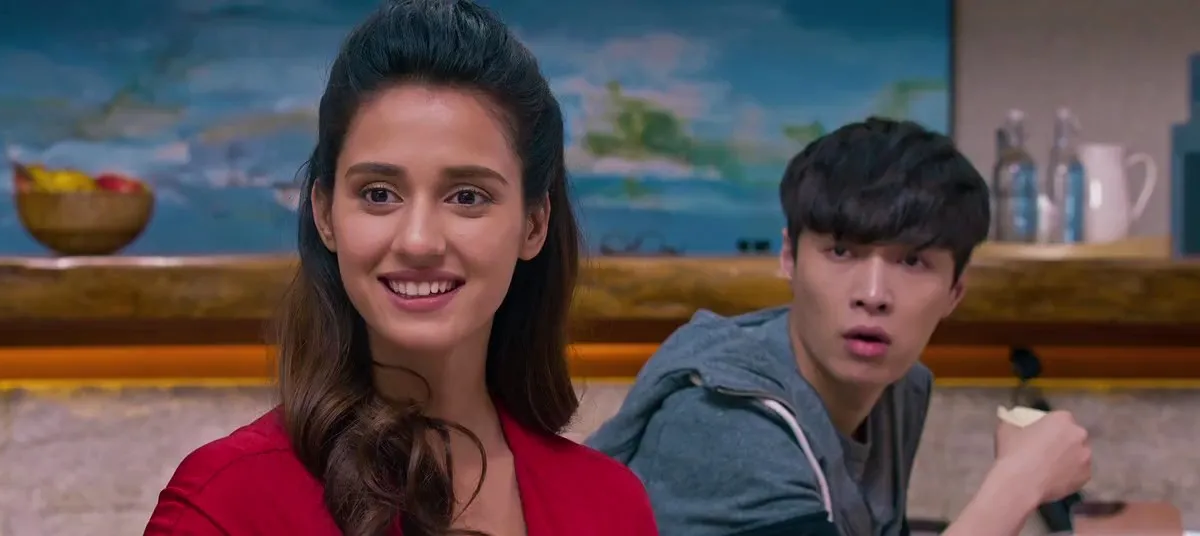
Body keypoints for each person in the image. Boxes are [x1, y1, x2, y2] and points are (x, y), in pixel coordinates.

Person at [144, 1, 657, 535]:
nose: (418, 241)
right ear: (325, 214)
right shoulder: (225, 503)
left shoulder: (611, 507)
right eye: (379, 193)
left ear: (533, 225)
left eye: (467, 196)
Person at [585, 118, 1093, 536]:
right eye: (842, 251)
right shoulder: (723, 418)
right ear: (789, 257)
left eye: (912, 261)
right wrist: (1018, 483)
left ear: (955, 292)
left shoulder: (899, 389)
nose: (872, 294)